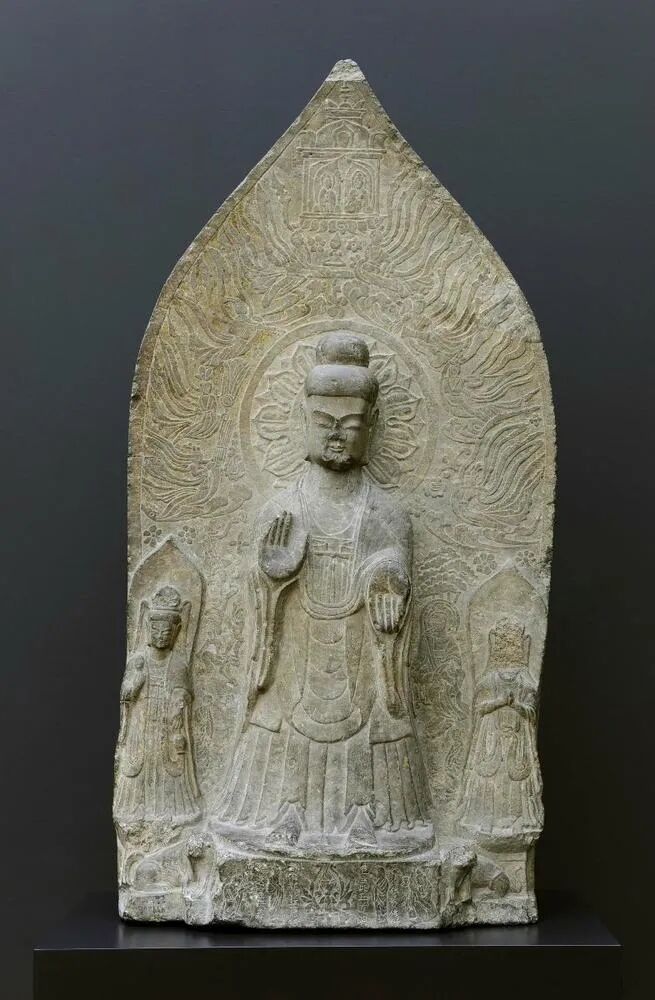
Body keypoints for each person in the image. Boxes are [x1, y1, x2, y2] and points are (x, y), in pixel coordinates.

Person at [216, 331, 433, 854]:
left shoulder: (387, 515)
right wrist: (272, 578)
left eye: (351, 425)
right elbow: (257, 592)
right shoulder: (281, 511)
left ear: (372, 426)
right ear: (303, 421)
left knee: (374, 714)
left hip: (361, 649)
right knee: (282, 705)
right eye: (324, 423)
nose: (337, 435)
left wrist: (388, 585)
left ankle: (365, 816)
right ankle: (284, 812)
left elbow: (395, 572)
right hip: (298, 645)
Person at [114, 585, 201, 825]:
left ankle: (172, 811)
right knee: (138, 768)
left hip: (168, 727)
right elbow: (126, 696)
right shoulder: (138, 661)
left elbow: (185, 697)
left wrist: (179, 699)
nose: (161, 634)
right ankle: (136, 813)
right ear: (147, 628)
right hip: (141, 729)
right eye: (156, 629)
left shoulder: (179, 665)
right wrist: (134, 685)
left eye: (166, 630)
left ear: (176, 632)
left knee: (170, 766)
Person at [458, 618, 543, 844]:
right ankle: (486, 821)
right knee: (489, 777)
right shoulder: (489, 680)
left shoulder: (525, 681)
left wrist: (516, 705)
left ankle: (517, 822)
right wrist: (499, 702)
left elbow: (532, 711)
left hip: (517, 739)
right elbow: (479, 708)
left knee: (515, 777)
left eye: (513, 644)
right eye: (505, 644)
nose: (509, 648)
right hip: (491, 739)